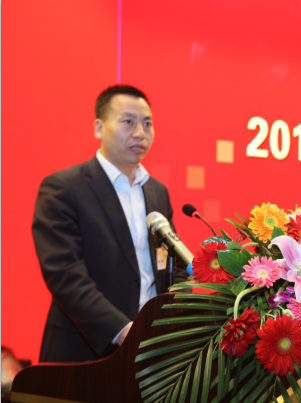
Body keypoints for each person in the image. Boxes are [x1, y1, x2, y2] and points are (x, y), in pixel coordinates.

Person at [32, 85, 188, 362]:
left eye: (147, 123)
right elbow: (65, 274)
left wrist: (171, 325)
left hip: (153, 351)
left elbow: (172, 267)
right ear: (98, 128)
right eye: (128, 121)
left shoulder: (157, 191)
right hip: (85, 353)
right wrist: (124, 331)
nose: (140, 132)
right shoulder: (64, 187)